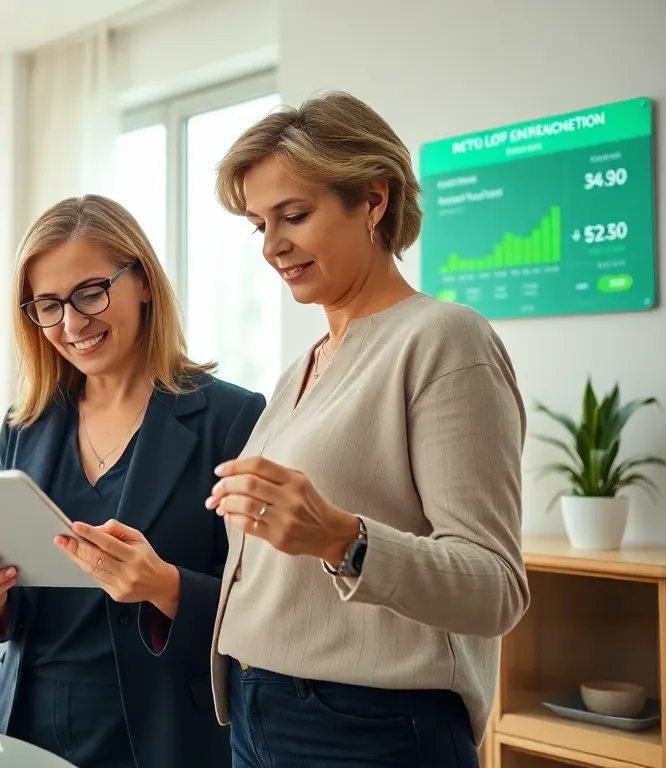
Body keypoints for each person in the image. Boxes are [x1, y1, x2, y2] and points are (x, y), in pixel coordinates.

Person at [204, 91, 530, 767]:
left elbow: (495, 586)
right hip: (258, 712)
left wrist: (340, 538)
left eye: (294, 215)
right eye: (259, 225)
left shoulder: (444, 340)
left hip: (366, 730)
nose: (273, 246)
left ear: (374, 201)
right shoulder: (304, 366)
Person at [0, 194, 266, 768]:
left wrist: (165, 585)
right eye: (47, 305)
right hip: (26, 723)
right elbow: (12, 604)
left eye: (90, 293)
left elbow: (268, 602)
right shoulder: (25, 425)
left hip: (161, 732)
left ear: (142, 281)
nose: (71, 324)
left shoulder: (230, 418)